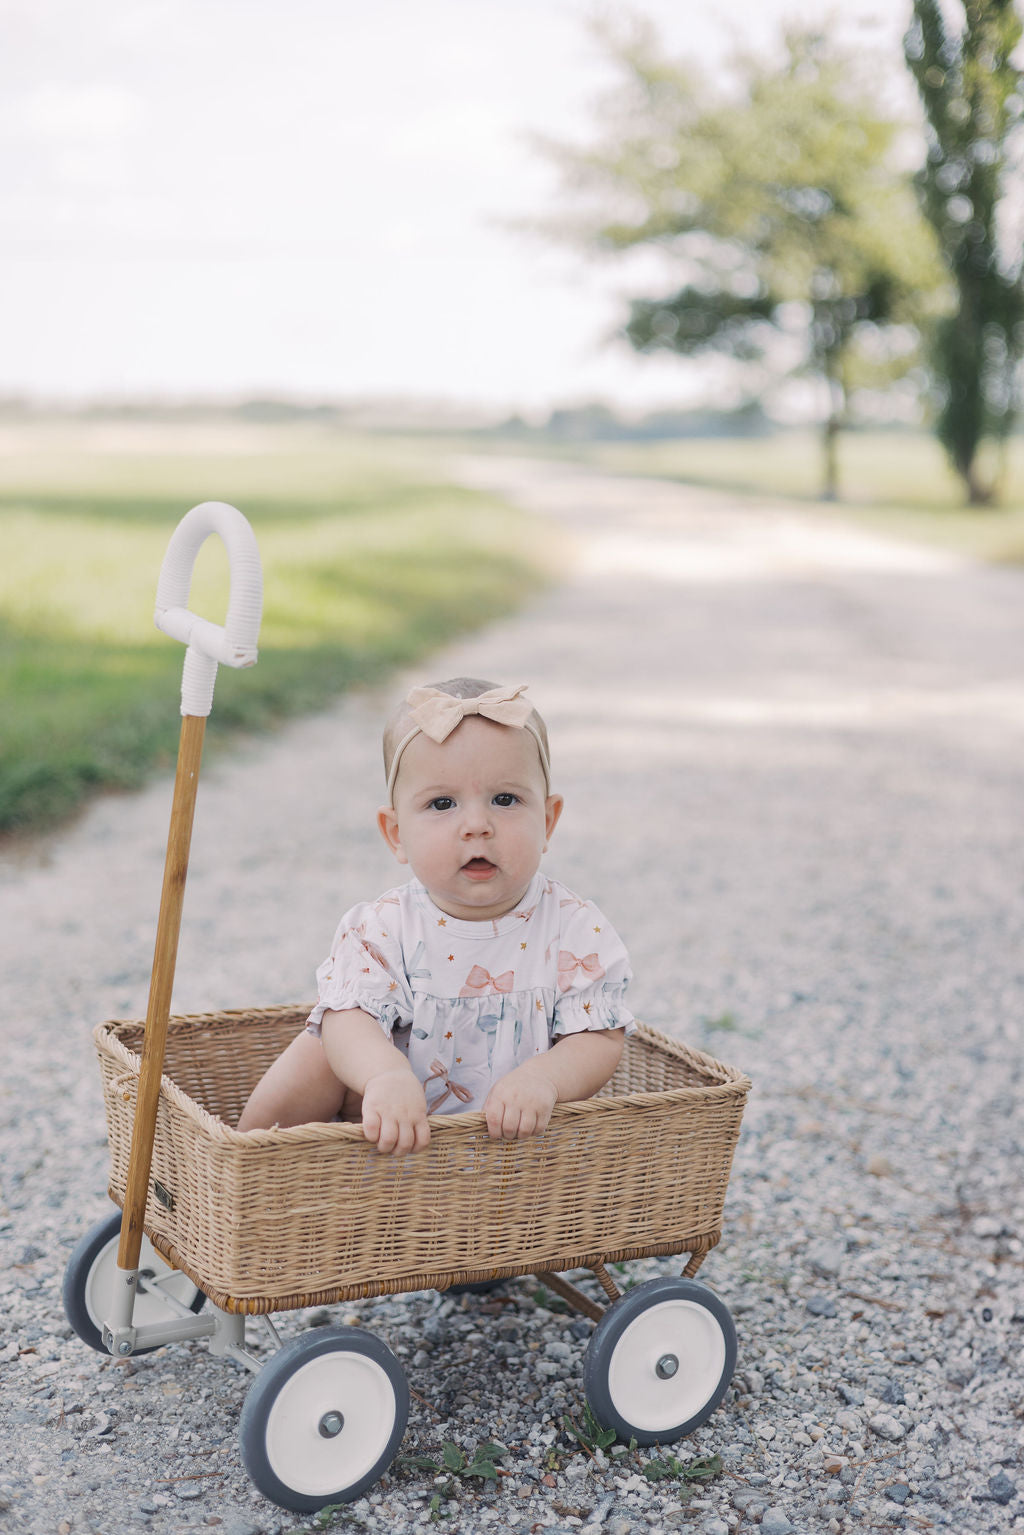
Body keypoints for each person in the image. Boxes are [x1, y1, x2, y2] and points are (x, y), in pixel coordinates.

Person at [237, 677, 634, 1150]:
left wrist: (544, 1079)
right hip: (392, 1125)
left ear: (547, 821)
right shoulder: (384, 927)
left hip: (514, 1132)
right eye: (442, 804)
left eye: (505, 800)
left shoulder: (574, 928)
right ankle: (248, 1155)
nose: (477, 825)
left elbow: (599, 1038)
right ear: (396, 834)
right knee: (323, 1044)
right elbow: (349, 1022)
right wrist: (383, 1075)